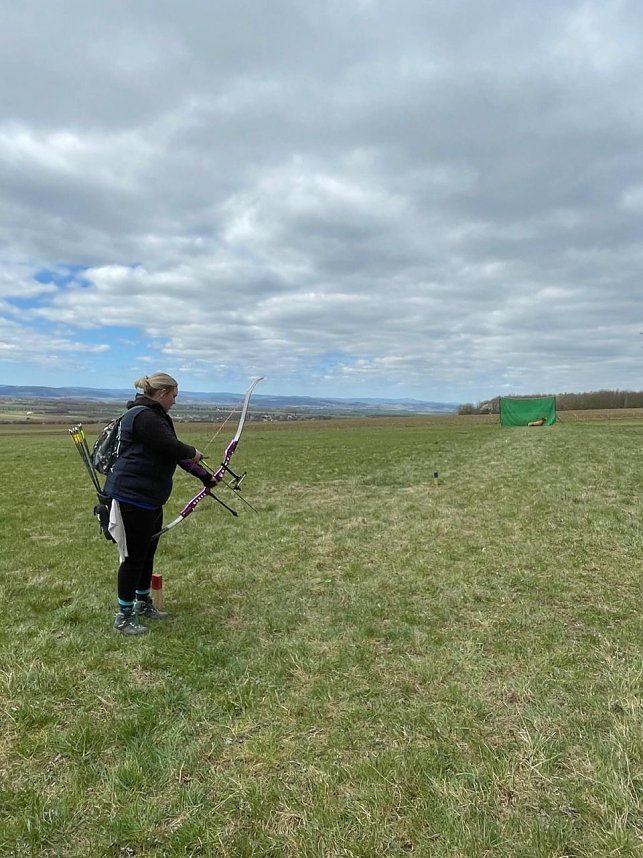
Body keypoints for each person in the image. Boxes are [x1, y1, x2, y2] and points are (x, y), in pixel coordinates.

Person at [104, 372, 214, 636]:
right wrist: (193, 452)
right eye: (173, 396)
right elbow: (172, 446)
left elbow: (169, 453)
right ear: (162, 394)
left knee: (147, 553)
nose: (175, 401)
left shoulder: (157, 417)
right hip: (131, 497)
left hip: (149, 498)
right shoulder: (142, 416)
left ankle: (143, 603)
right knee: (133, 557)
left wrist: (206, 477)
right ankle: (124, 616)